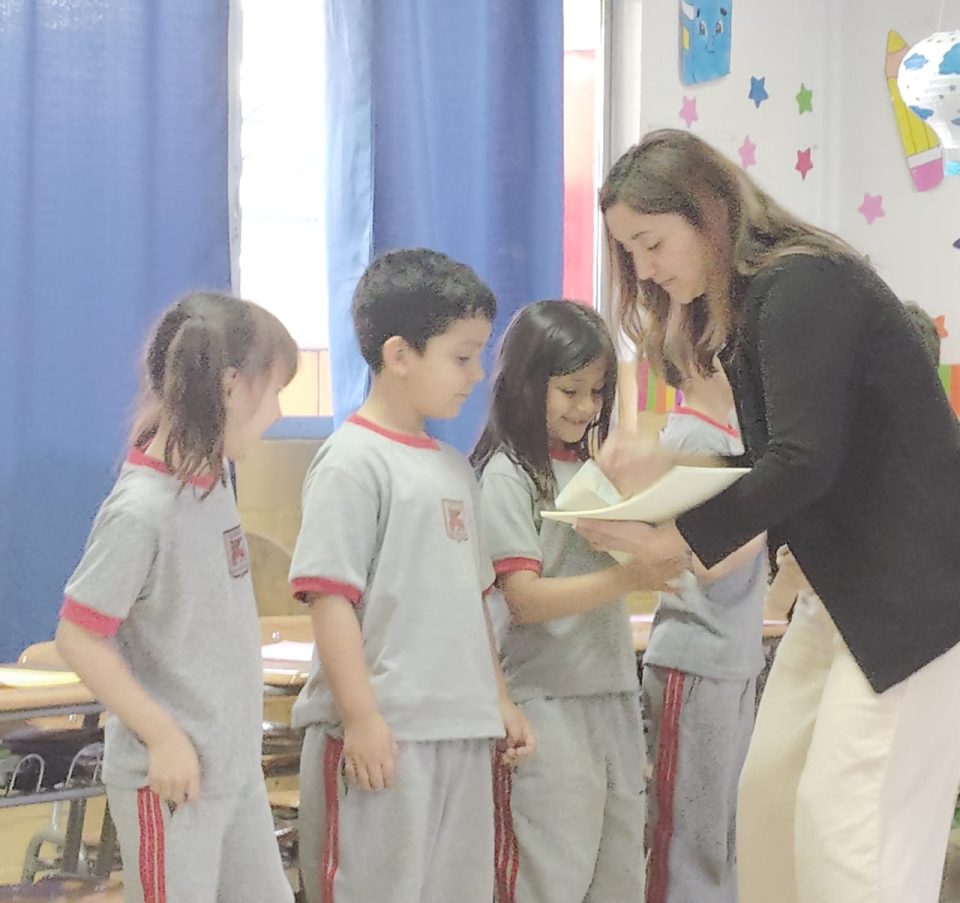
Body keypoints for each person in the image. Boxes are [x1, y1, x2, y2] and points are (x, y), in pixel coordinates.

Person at [580, 128, 960, 902]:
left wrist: (677, 535)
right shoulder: (764, 299)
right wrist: (670, 482)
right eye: (630, 254)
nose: (645, 269)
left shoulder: (802, 286)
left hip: (927, 592)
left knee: (845, 818)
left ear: (709, 213)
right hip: (855, 587)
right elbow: (789, 460)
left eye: (651, 244)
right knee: (770, 793)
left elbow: (803, 461)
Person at [289, 249, 534, 903]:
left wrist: (498, 697)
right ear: (399, 353)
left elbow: (473, 602)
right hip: (382, 738)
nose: (476, 374)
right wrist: (363, 717)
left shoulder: (454, 469)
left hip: (459, 729)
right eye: (461, 356)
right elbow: (329, 600)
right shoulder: (351, 462)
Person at [55, 293, 299, 903]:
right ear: (231, 387)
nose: (276, 412)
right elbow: (79, 635)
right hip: (172, 784)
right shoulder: (142, 508)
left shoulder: (211, 481)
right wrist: (163, 736)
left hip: (232, 770)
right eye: (274, 392)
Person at [471, 300, 678, 903]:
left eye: (596, 392)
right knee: (548, 879)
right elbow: (524, 601)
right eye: (569, 390)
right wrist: (629, 577)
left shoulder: (592, 468)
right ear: (525, 382)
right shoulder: (508, 475)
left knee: (618, 878)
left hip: (610, 697)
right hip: (544, 707)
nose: (585, 407)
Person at [639, 360, 767, 903]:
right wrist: (772, 501)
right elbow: (704, 556)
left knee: (721, 835)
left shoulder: (732, 436)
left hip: (732, 657)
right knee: (685, 839)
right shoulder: (691, 436)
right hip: (693, 660)